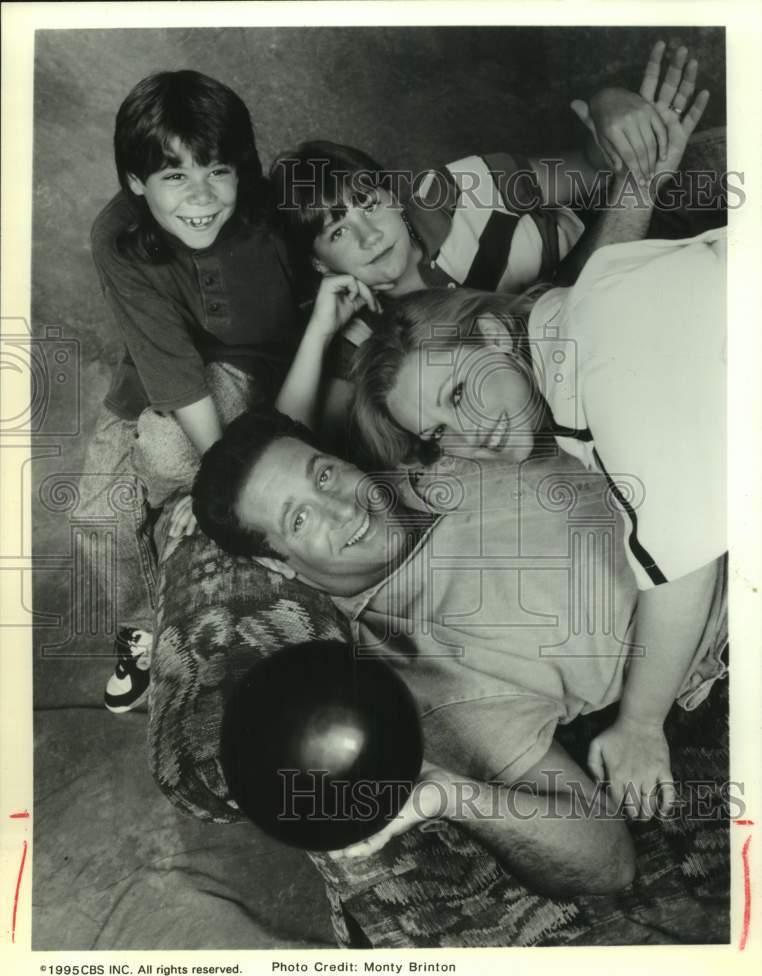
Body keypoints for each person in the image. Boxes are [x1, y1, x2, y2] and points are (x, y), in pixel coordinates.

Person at [190, 409, 727, 894]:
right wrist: (449, 794)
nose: (338, 508)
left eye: (324, 474)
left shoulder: (425, 442)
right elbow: (607, 862)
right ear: (279, 566)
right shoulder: (418, 674)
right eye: (298, 520)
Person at [351, 225, 727, 819]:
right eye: (440, 433)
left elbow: (685, 566)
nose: (468, 437)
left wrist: (640, 725)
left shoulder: (602, 357)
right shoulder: (576, 315)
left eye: (456, 393)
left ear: (495, 335)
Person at [269, 41, 714, 453]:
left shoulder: (453, 191)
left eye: (369, 204)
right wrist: (318, 334)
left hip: (631, 238)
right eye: (338, 232)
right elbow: (294, 450)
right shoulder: (362, 330)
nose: (369, 236)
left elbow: (600, 166)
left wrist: (610, 109)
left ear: (394, 197)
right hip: (565, 373)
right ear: (319, 262)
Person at [87, 70, 304, 711]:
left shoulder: (276, 213)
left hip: (256, 368)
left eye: (218, 171)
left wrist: (218, 483)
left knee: (164, 452)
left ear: (243, 167)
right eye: (175, 177)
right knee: (96, 510)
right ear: (135, 182)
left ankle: (188, 528)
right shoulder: (116, 234)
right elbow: (166, 359)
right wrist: (212, 472)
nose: (201, 196)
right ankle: (139, 627)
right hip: (160, 370)